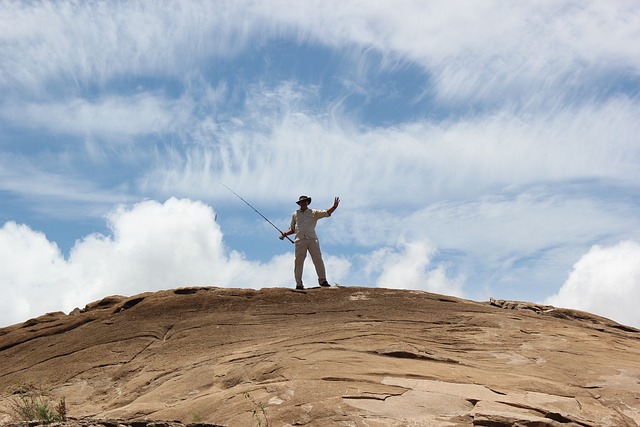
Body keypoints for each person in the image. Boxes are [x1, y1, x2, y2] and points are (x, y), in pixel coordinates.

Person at [280, 195, 340, 289]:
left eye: (305, 201)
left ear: (307, 202)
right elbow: (293, 229)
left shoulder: (314, 212)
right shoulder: (295, 214)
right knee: (298, 262)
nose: (303, 203)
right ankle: (299, 284)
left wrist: (334, 207)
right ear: (299, 204)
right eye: (302, 202)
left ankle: (323, 281)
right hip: (300, 240)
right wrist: (285, 234)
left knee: (318, 260)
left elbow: (326, 213)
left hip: (312, 239)